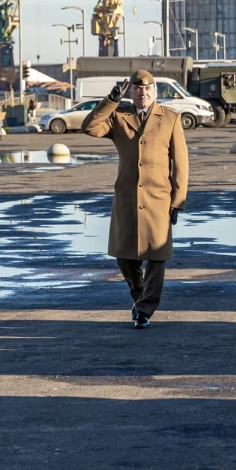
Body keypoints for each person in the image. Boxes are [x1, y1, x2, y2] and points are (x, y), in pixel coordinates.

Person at [81, 70, 189, 329]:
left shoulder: (170, 118)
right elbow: (90, 127)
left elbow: (181, 164)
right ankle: (139, 295)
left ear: (155, 91)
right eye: (138, 89)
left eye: (148, 89)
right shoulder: (119, 117)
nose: (143, 93)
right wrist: (110, 101)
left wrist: (178, 201)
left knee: (156, 257)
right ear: (130, 91)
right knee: (124, 255)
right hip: (127, 197)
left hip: (159, 198)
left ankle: (145, 309)